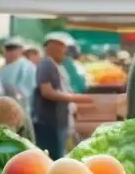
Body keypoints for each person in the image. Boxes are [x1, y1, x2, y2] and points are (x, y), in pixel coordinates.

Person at [33, 32, 92, 160]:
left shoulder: (59, 66)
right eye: (60, 46)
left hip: (60, 121)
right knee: (53, 159)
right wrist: (73, 98)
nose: (63, 50)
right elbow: (46, 91)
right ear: (51, 47)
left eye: (64, 47)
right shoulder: (46, 64)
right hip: (50, 123)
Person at [0, 37, 37, 114]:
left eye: (14, 48)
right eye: (8, 48)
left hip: (21, 109)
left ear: (21, 50)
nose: (11, 51)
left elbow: (26, 91)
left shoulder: (27, 66)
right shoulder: (2, 68)